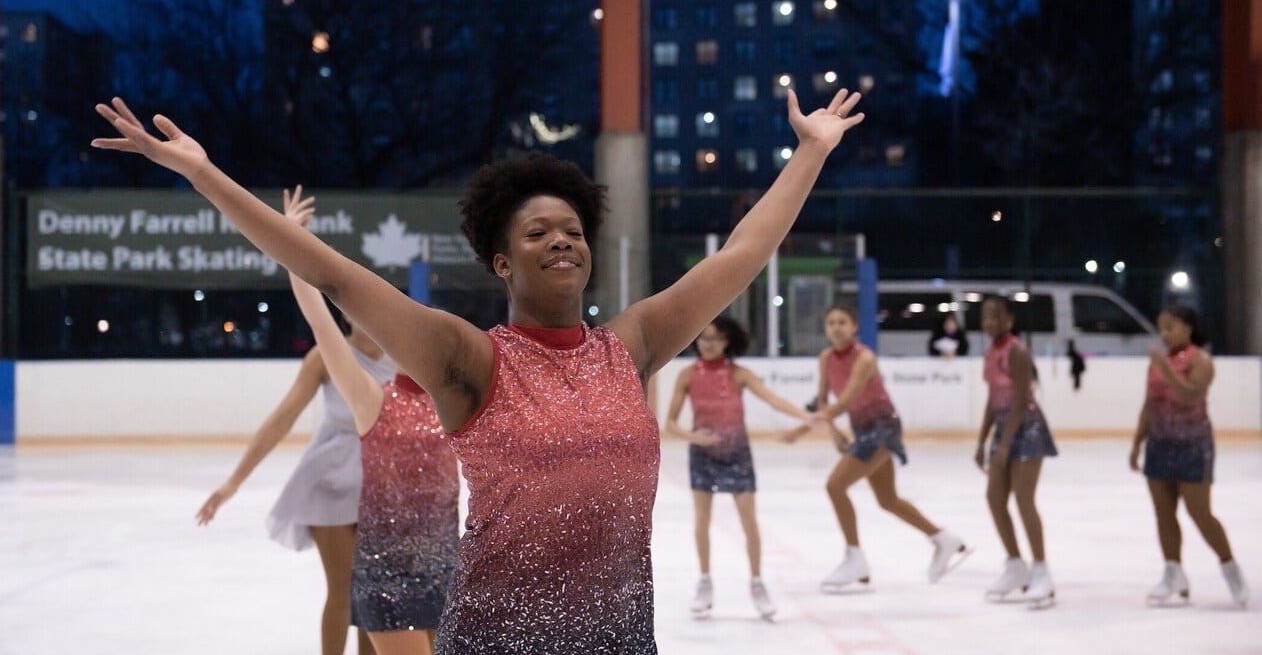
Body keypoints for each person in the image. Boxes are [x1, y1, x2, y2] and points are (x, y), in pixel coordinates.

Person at [92, 86, 863, 653]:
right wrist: (203, 175)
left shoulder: (630, 347)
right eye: (537, 232)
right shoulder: (471, 362)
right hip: (500, 638)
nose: (561, 239)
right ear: (503, 259)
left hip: (620, 636)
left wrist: (811, 152)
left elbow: (742, 255)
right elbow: (334, 274)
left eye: (571, 228)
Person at [196, 195, 392, 655]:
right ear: (344, 311)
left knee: (377, 598)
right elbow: (281, 420)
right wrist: (232, 483)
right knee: (344, 593)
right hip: (329, 479)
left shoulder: (405, 358)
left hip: (385, 482)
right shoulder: (324, 357)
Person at [282, 187, 458, 654]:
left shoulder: (453, 403)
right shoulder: (372, 398)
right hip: (390, 575)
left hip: (445, 570)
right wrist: (291, 242)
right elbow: (321, 321)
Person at [785, 305, 968, 592]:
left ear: (855, 327)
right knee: (888, 500)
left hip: (883, 427)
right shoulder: (826, 358)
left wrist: (800, 430)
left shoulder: (865, 358)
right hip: (862, 429)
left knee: (835, 486)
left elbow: (845, 399)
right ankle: (943, 538)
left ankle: (854, 557)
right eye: (831, 322)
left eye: (842, 322)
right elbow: (823, 399)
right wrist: (833, 433)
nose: (836, 327)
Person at [665, 315, 815, 619]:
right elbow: (670, 423)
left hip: (737, 453)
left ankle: (757, 582)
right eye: (703, 338)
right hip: (703, 455)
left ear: (727, 342)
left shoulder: (740, 374)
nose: (708, 344)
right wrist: (694, 436)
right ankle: (705, 582)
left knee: (749, 520)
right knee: (702, 519)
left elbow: (774, 400)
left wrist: (805, 416)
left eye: (715, 338)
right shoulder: (686, 375)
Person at [1130, 305, 1249, 608]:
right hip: (1160, 443)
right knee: (1164, 513)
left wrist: (1165, 368)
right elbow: (1149, 404)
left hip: (1193, 445)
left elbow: (1189, 396)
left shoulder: (1201, 361)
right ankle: (1173, 572)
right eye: (1161, 328)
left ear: (1188, 327)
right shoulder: (1158, 363)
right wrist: (1136, 443)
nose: (1164, 334)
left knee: (1199, 512)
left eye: (1170, 326)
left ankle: (1229, 566)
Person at [975, 295, 1057, 608]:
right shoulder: (990, 353)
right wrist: (982, 440)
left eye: (995, 317)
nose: (989, 323)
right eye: (985, 317)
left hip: (1027, 430)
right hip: (1003, 430)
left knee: (1024, 499)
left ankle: (1041, 570)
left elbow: (1021, 399)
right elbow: (993, 399)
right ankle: (1015, 565)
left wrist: (1006, 442)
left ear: (1009, 319)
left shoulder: (1017, 351)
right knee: (994, 499)